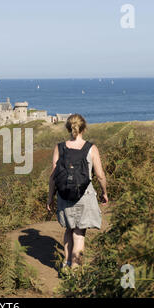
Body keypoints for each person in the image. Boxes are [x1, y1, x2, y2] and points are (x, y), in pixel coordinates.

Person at [47, 114, 108, 269]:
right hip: (84, 195)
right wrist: (104, 192)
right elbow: (100, 175)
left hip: (64, 194)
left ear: (68, 127)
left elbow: (53, 177)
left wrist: (50, 198)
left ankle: (66, 264)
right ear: (84, 128)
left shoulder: (60, 147)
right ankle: (76, 268)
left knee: (68, 229)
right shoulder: (91, 148)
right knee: (79, 233)